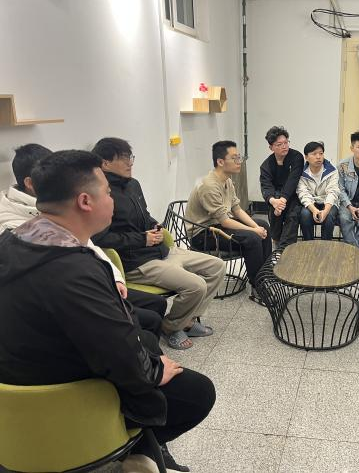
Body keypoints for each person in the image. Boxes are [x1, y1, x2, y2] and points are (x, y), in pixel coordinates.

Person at [0, 150, 215, 471]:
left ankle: (145, 446)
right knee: (198, 393)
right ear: (85, 201)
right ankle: (134, 451)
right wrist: (155, 371)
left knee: (146, 335)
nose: (113, 199)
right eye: (108, 192)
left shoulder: (14, 240)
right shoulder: (74, 271)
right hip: (62, 393)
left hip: (17, 382)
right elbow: (118, 352)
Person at [0, 143, 167, 338]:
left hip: (91, 285)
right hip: (62, 306)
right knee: (144, 327)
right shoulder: (15, 227)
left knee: (154, 309)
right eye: (107, 193)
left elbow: (88, 245)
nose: (111, 199)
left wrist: (115, 278)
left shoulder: (60, 218)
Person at [92, 137, 225, 351]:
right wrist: (142, 239)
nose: (130, 163)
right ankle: (171, 327)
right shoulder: (100, 194)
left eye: (130, 157)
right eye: (124, 158)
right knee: (196, 286)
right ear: (105, 163)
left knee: (217, 266)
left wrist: (155, 225)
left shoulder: (133, 184)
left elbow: (144, 215)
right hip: (136, 262)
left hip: (160, 251)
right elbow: (100, 238)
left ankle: (187, 321)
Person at [186, 140, 272, 304]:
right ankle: (257, 287)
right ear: (220, 162)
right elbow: (225, 221)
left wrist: (256, 227)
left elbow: (237, 209)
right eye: (235, 158)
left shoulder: (227, 180)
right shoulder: (209, 185)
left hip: (217, 225)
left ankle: (264, 277)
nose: (239, 161)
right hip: (202, 233)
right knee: (252, 238)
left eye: (239, 157)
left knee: (263, 225)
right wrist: (254, 231)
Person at [260, 126, 304, 248]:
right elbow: (266, 185)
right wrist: (273, 201)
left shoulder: (296, 157)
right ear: (271, 147)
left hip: (293, 194)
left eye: (286, 142)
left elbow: (293, 180)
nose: (284, 146)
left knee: (292, 214)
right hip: (276, 197)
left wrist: (282, 201)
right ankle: (276, 241)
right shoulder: (266, 165)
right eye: (279, 144)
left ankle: (285, 248)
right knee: (274, 210)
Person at [297, 141, 340, 240]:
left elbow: (333, 192)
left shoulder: (332, 171)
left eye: (321, 153)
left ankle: (326, 245)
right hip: (311, 203)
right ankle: (309, 244)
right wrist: (314, 210)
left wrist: (325, 211)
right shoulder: (301, 173)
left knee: (329, 216)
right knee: (305, 214)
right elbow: (303, 193)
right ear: (306, 157)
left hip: (328, 202)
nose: (318, 157)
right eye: (314, 154)